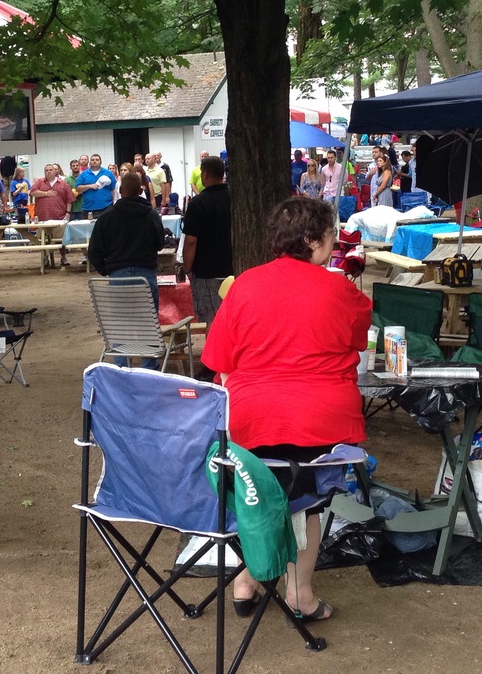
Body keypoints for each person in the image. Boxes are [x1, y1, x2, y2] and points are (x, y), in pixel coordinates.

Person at [202, 197, 371, 623]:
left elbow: (218, 359)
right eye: (331, 235)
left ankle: (246, 581)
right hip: (318, 422)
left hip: (249, 421)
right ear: (312, 239)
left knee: (256, 495)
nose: (334, 243)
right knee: (305, 502)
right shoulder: (339, 289)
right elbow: (359, 338)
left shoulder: (244, 285)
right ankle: (300, 593)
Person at [88, 171, 166, 367]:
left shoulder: (106, 218)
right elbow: (160, 243)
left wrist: (107, 269)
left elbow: (94, 251)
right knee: (148, 323)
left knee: (120, 324)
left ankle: (121, 367)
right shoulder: (151, 215)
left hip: (118, 275)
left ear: (120, 191)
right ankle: (149, 368)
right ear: (140, 191)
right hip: (145, 273)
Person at [181, 155, 233, 335]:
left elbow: (190, 241)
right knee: (233, 317)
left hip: (207, 271)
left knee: (212, 319)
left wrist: (187, 267)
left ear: (205, 175)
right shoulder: (235, 198)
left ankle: (214, 353)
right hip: (234, 266)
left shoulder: (198, 203)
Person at [74, 154, 116, 219]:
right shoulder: (84, 174)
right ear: (90, 162)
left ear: (101, 162)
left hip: (106, 207)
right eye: (92, 160)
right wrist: (89, 186)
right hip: (88, 209)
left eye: (97, 160)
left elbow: (113, 189)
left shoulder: (108, 173)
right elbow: (77, 188)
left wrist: (114, 203)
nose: (94, 161)